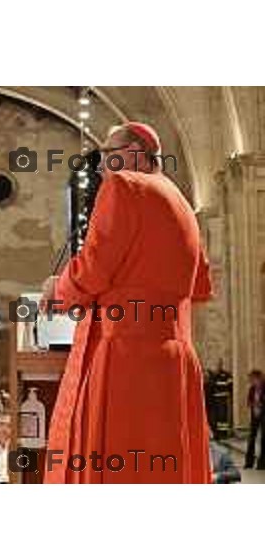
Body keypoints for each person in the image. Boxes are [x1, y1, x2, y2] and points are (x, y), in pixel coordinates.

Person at [42, 122, 212, 483]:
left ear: (134, 151)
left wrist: (57, 289)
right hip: (176, 362)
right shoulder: (182, 203)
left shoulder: (123, 186)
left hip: (125, 358)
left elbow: (92, 272)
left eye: (107, 154)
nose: (102, 166)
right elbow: (199, 287)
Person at [244, 370, 265, 469]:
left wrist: (260, 404)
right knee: (251, 438)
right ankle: (249, 463)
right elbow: (249, 401)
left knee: (263, 439)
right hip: (255, 415)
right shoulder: (252, 389)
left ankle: (262, 463)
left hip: (263, 415)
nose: (251, 381)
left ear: (259, 378)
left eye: (252, 379)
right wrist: (253, 404)